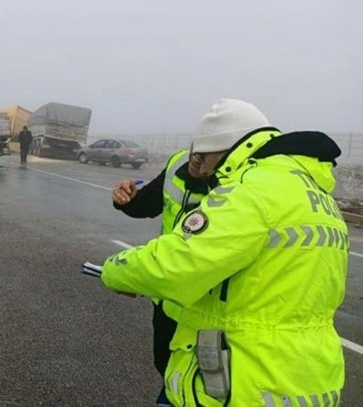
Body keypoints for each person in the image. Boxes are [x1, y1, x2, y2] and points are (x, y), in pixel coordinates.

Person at [101, 98, 347, 406]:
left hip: (245, 379)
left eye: (206, 157)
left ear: (226, 146)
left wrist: (115, 272)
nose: (202, 167)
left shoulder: (252, 189)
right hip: (307, 380)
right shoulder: (314, 192)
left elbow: (176, 265)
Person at [111, 147, 211, 406]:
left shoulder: (245, 183)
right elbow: (147, 204)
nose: (196, 161)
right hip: (167, 303)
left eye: (205, 156)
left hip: (207, 312)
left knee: (203, 386)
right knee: (166, 367)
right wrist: (127, 198)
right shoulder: (178, 160)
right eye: (195, 152)